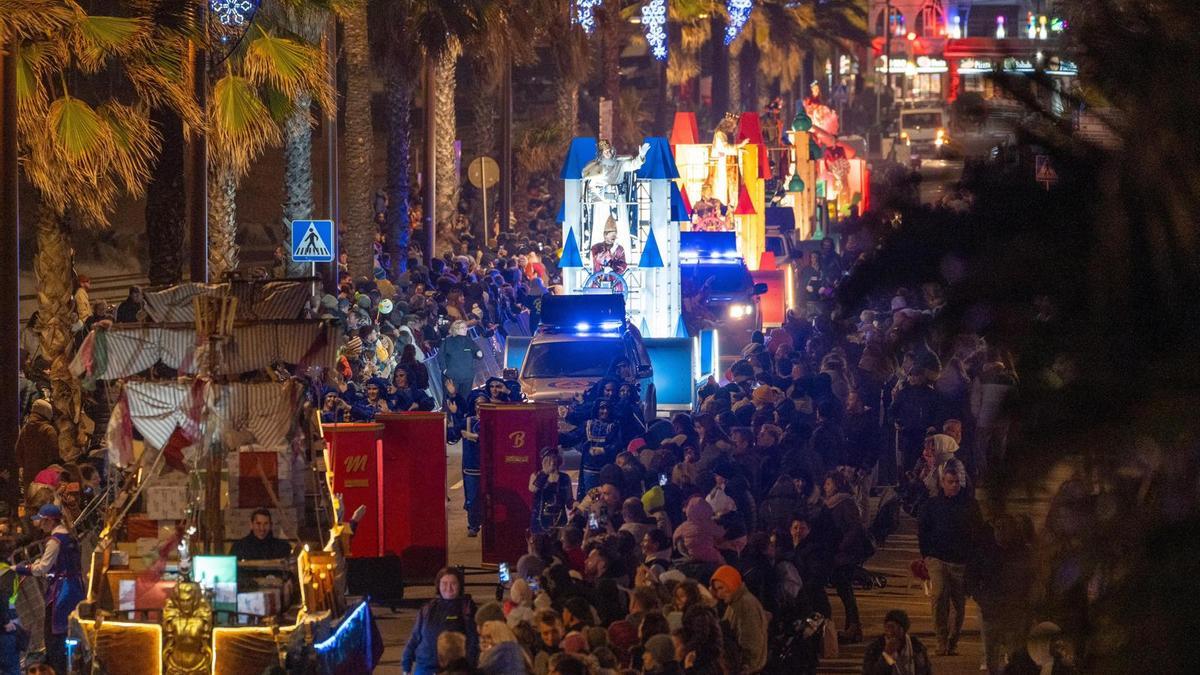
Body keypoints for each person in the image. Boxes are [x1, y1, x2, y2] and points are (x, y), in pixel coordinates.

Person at [918, 465, 984, 656]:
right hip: (937, 558)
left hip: (960, 561)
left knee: (958, 605)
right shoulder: (932, 505)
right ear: (942, 483)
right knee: (938, 596)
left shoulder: (970, 505)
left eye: (957, 482)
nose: (954, 486)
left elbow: (978, 532)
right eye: (950, 482)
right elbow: (923, 530)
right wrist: (927, 554)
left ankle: (952, 641)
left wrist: (974, 557)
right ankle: (940, 639)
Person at [14, 504, 84, 674]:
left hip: (62, 591)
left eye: (41, 521)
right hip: (76, 587)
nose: (39, 524)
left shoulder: (55, 541)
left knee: (54, 632)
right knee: (73, 627)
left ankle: (57, 667)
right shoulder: (69, 536)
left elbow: (43, 567)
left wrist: (21, 568)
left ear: (48, 521)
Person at [403, 567, 480, 675]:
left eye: (453, 583)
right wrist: (406, 665)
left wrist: (469, 667)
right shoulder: (427, 609)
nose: (448, 588)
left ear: (460, 586)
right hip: (425, 667)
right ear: (438, 586)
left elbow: (473, 641)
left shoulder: (467, 609)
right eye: (444, 583)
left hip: (453, 670)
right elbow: (414, 638)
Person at [709, 565, 768, 674]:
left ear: (731, 583)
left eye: (721, 588)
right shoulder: (735, 602)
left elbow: (751, 637)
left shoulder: (745, 604)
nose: (719, 593)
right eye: (716, 589)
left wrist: (745, 666)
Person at [862, 609, 933, 675]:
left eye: (893, 627)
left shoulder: (916, 647)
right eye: (887, 627)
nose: (890, 632)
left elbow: (927, 671)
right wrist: (887, 656)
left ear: (903, 629)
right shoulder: (876, 648)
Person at [15, 399, 58, 495]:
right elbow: (54, 454)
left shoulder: (25, 429)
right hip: (45, 476)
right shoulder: (48, 430)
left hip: (28, 475)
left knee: (30, 501)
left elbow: (18, 451)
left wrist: (25, 466)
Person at [529, 449, 574, 534]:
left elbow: (569, 501)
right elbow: (533, 489)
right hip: (540, 522)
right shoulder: (536, 476)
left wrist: (576, 504)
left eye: (553, 457)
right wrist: (545, 473)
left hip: (559, 521)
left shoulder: (565, 477)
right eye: (548, 458)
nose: (552, 461)